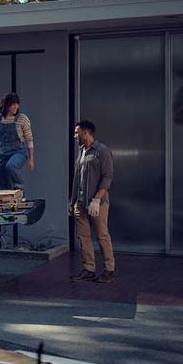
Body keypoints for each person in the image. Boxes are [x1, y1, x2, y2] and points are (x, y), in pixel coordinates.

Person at [69, 120, 115, 283]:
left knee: (102, 236)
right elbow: (77, 179)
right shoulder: (81, 151)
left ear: (86, 132)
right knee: (84, 237)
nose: (75, 136)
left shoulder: (102, 151)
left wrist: (96, 199)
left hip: (97, 203)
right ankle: (88, 269)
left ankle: (109, 270)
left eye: (77, 133)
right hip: (80, 204)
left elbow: (108, 177)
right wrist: (72, 202)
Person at [0, 92, 34, 190]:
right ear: (6, 104)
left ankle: (20, 186)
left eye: (17, 103)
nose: (16, 106)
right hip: (2, 155)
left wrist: (31, 159)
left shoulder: (22, 119)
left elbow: (29, 140)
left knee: (11, 166)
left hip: (18, 153)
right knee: (4, 185)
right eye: (13, 104)